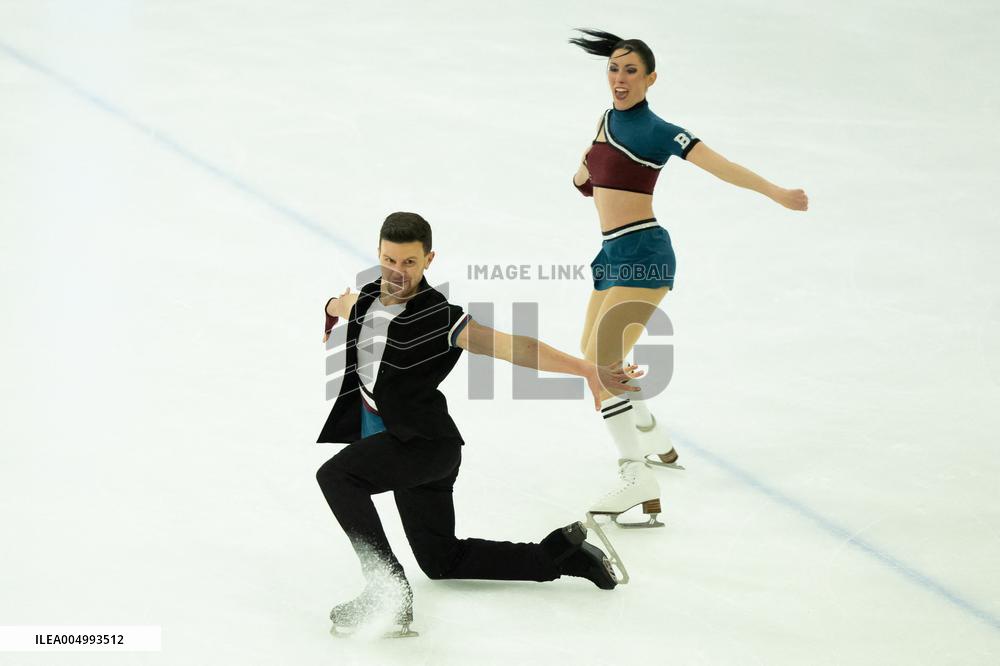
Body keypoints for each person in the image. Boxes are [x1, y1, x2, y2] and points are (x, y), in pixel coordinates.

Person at [316, 211, 643, 637]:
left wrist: (586, 370)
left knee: (338, 476)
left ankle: (387, 589)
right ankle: (559, 555)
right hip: (407, 446)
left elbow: (516, 348)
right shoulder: (367, 296)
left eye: (409, 263)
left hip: (423, 445)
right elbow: (346, 305)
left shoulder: (438, 316)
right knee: (440, 560)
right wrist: (330, 310)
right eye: (389, 260)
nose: (397, 273)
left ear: (429, 259)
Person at [567, 29, 809, 527]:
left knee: (603, 365)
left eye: (631, 70)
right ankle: (653, 436)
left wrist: (776, 192)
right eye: (614, 68)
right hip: (611, 255)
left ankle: (637, 476)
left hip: (645, 251)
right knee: (593, 356)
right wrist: (582, 173)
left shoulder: (658, 129)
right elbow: (592, 167)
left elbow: (722, 167)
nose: (620, 78)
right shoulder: (606, 119)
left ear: (651, 79)